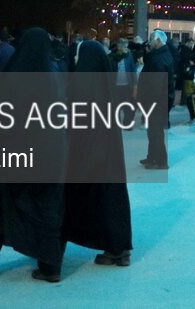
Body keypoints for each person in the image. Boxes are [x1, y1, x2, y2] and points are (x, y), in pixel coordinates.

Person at [0, 28, 68, 283]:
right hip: (50, 155)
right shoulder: (55, 74)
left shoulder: (16, 73)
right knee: (47, 209)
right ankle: (50, 265)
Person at [64, 39, 133, 267]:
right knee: (113, 201)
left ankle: (114, 249)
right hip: (109, 156)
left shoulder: (83, 85)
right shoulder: (106, 87)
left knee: (95, 201)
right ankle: (120, 249)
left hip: (91, 157)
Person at [139, 29, 175, 167]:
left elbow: (156, 86)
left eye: (152, 39)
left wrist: (148, 101)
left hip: (157, 101)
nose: (149, 41)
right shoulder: (159, 55)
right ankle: (152, 156)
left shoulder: (160, 58)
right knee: (152, 130)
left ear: (159, 41)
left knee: (156, 131)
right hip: (157, 100)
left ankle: (160, 161)